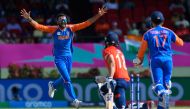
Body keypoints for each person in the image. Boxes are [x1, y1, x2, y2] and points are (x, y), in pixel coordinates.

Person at [20, 7, 107, 108]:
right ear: (58, 21)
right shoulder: (54, 29)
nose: (63, 20)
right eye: (61, 19)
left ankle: (53, 85)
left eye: (65, 19)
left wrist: (99, 15)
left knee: (65, 78)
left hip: (69, 57)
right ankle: (75, 100)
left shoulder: (71, 28)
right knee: (67, 79)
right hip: (59, 58)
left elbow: (87, 23)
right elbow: (39, 26)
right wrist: (29, 18)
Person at [133, 11, 184, 109]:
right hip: (168, 60)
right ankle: (163, 105)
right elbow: (181, 43)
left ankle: (162, 93)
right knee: (166, 84)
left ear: (151, 22)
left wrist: (138, 61)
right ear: (163, 21)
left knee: (158, 85)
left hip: (155, 61)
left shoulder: (148, 33)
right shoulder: (169, 31)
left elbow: (141, 51)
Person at [100, 32, 130, 109]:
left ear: (107, 41)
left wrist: (110, 77)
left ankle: (113, 106)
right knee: (121, 106)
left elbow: (112, 62)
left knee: (103, 91)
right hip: (126, 80)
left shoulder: (107, 50)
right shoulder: (120, 52)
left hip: (117, 80)